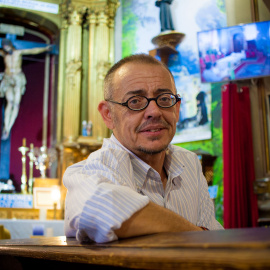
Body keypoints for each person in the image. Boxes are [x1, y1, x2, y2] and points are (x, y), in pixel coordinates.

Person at [64, 54, 224, 243]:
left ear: (177, 109)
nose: (154, 111)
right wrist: (197, 236)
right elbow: (100, 207)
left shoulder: (189, 162)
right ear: (108, 115)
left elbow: (212, 231)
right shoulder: (93, 170)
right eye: (135, 102)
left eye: (164, 99)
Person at [0, 39, 51, 140]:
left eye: (7, 47)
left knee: (16, 104)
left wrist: (44, 48)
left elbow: (32, 51)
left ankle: (9, 127)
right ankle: (6, 127)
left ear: (10, 46)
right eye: (4, 47)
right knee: (9, 103)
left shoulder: (18, 53)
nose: (6, 49)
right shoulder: (4, 54)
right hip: (8, 79)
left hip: (18, 79)